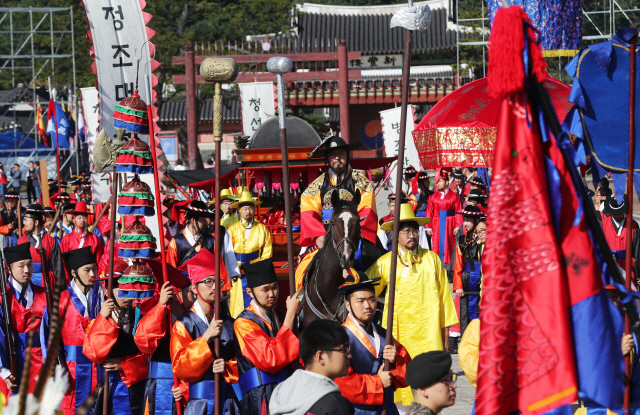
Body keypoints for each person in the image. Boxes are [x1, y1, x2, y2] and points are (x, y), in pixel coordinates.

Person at [367, 204, 458, 409]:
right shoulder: (386, 263)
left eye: (414, 230)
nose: (412, 235)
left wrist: (445, 338)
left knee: (432, 389)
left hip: (430, 336)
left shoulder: (432, 259)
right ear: (396, 234)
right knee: (403, 395)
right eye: (406, 230)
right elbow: (366, 287)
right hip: (402, 338)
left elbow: (445, 300)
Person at [298, 134, 378, 291]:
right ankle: (302, 302)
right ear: (327, 159)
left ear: (347, 156)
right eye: (333, 155)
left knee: (375, 260)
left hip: (354, 233)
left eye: (340, 154)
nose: (337, 158)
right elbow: (308, 209)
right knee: (303, 267)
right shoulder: (318, 184)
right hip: (326, 234)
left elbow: (367, 209)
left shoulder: (360, 181)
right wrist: (318, 236)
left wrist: (353, 231)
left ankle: (376, 298)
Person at [170, 249, 238, 415]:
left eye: (218, 282)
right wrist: (206, 337)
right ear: (194, 288)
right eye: (208, 282)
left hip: (229, 402)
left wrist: (228, 367)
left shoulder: (231, 323)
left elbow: (246, 359)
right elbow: (180, 366)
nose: (215, 287)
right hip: (199, 405)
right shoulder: (183, 323)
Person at [333, 274, 411, 415]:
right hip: (356, 410)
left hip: (387, 408)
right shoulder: (339, 337)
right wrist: (378, 382)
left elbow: (409, 373)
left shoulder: (384, 334)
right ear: (348, 305)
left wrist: (396, 361)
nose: (367, 306)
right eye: (360, 301)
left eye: (371, 299)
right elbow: (341, 381)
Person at [233, 258, 302, 415]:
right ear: (250, 291)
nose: (272, 294)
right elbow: (269, 358)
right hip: (261, 395)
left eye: (275, 287)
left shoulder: (280, 316)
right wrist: (291, 314)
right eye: (265, 290)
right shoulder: (243, 322)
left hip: (285, 389)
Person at [134, 261, 195, 415]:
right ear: (177, 293)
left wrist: (186, 387)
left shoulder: (194, 318)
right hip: (159, 381)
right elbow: (143, 340)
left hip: (185, 385)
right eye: (191, 291)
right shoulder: (160, 313)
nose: (195, 296)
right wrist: (161, 304)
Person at [83, 275, 148, 415]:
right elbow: (94, 353)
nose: (127, 297)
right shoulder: (97, 322)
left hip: (137, 390)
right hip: (108, 389)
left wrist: (125, 364)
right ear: (108, 293)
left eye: (129, 291)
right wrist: (103, 319)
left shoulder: (142, 321)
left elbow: (151, 357)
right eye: (122, 292)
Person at [269, 320, 355, 415]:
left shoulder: (281, 392)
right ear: (320, 356)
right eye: (344, 349)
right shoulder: (335, 404)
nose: (349, 355)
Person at [59, 246, 105, 415]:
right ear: (74, 273)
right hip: (71, 369)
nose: (93, 275)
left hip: (97, 367)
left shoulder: (101, 296)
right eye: (87, 270)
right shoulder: (61, 299)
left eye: (94, 269)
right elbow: (48, 338)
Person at [0, 242, 48, 398]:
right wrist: (3, 370)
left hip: (40, 362)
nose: (27, 270)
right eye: (21, 266)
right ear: (9, 269)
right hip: (12, 362)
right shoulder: (2, 298)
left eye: (29, 265)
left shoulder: (44, 294)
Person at [167, 199, 240, 279]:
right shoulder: (176, 242)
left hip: (206, 287)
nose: (206, 221)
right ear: (193, 220)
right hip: (185, 287)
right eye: (203, 218)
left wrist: (221, 288)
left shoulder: (211, 240)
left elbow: (220, 267)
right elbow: (171, 271)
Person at [227, 191, 273, 317]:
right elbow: (227, 252)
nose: (248, 211)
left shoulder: (262, 229)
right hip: (237, 272)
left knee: (256, 299)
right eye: (245, 208)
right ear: (240, 210)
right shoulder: (232, 229)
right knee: (236, 302)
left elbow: (267, 252)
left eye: (251, 208)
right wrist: (234, 267)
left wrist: (257, 268)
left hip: (255, 271)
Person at [453, 207, 486, 336]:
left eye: (468, 220)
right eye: (464, 220)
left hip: (481, 277)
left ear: (475, 220)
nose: (465, 223)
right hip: (466, 278)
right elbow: (458, 264)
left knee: (480, 307)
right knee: (465, 310)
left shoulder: (482, 239)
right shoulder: (462, 240)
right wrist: (458, 286)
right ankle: (467, 338)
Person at [16, 204, 64, 288]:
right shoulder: (20, 242)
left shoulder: (51, 241)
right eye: (24, 220)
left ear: (36, 222)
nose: (24, 223)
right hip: (27, 283)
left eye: (26, 220)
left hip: (47, 284)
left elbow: (58, 269)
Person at [425, 170, 463, 266]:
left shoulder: (455, 197)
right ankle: (438, 266)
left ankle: (450, 268)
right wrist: (428, 227)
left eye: (440, 181)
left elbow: (458, 212)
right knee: (437, 245)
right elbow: (429, 212)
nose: (437, 184)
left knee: (449, 245)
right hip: (436, 223)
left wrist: (458, 226)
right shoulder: (432, 197)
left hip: (450, 224)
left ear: (446, 182)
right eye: (436, 181)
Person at [601, 196, 640, 284]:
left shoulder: (633, 225)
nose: (618, 216)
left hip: (629, 267)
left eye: (620, 213)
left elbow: (638, 251)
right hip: (610, 267)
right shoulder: (603, 224)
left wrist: (638, 274)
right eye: (615, 213)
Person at [60, 201, 104, 267]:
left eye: (85, 217)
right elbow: (63, 261)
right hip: (73, 275)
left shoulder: (95, 239)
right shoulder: (66, 239)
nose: (82, 220)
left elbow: (99, 260)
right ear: (74, 219)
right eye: (79, 218)